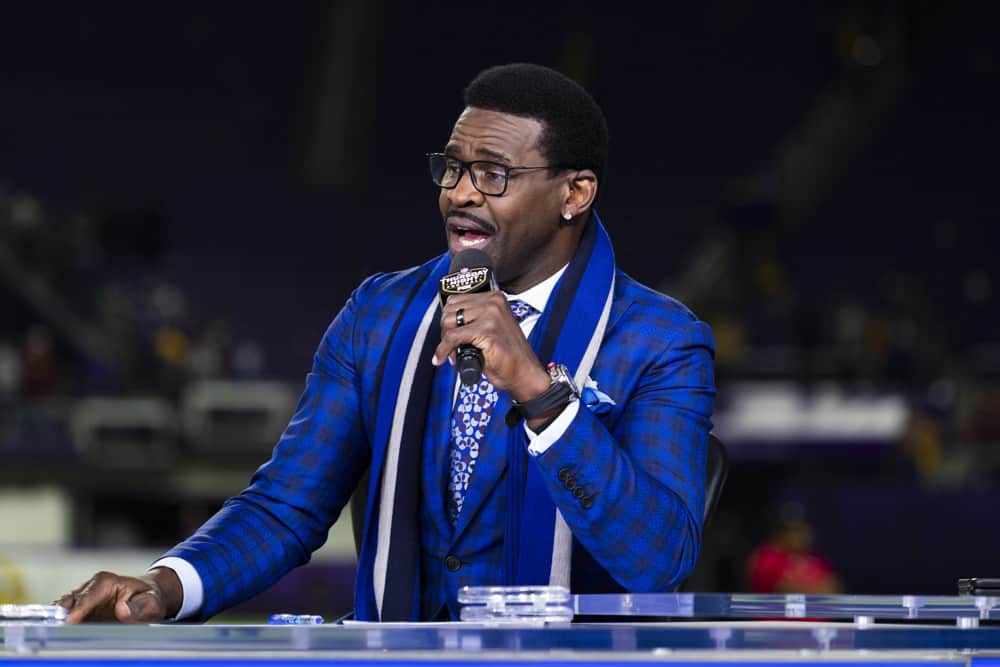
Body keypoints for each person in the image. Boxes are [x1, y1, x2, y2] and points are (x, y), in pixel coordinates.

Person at [56, 63, 716, 623]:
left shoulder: (661, 339)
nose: (459, 193)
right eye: (452, 168)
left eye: (493, 175)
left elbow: (657, 560)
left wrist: (541, 394)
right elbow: (287, 504)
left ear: (574, 192)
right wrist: (165, 586)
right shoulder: (380, 311)